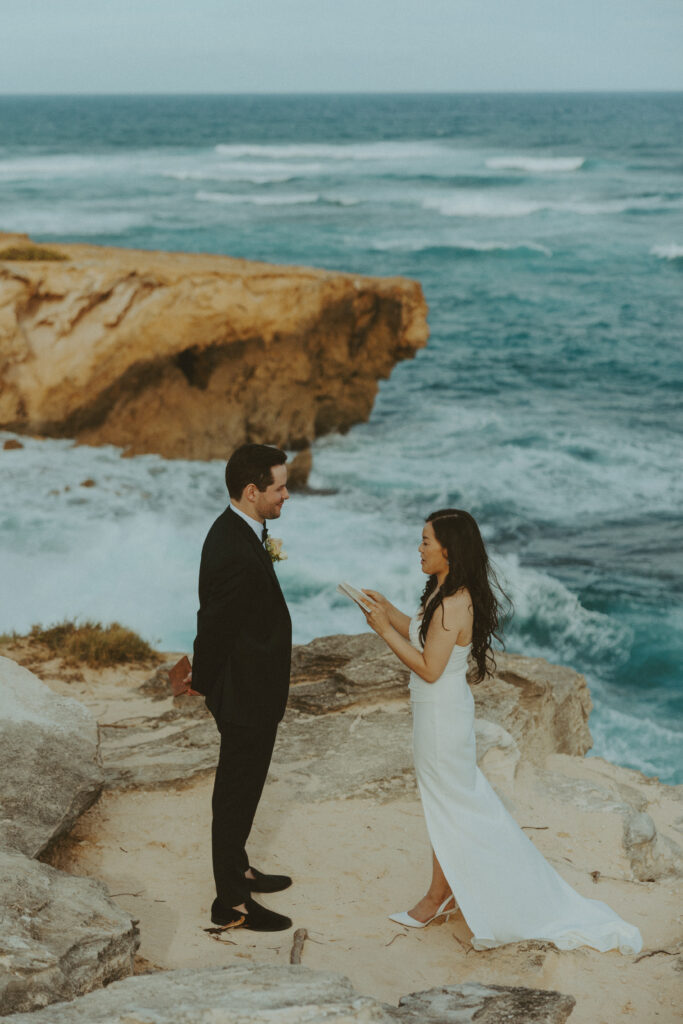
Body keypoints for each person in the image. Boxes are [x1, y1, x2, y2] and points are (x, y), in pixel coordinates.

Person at [362, 508, 642, 954]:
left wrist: (381, 632)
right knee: (448, 803)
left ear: (448, 551)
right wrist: (386, 612)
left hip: (440, 717)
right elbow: (421, 632)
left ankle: (440, 896)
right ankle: (444, 891)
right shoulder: (444, 592)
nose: (419, 548)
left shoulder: (454, 604)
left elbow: (428, 667)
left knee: (454, 804)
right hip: (439, 713)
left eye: (425, 542)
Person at [190, 443, 293, 932]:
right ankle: (229, 902)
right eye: (279, 487)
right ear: (252, 492)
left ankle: (240, 869)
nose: (286, 495)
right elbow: (213, 626)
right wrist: (206, 685)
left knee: (247, 789)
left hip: (255, 689)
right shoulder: (232, 547)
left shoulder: (245, 529)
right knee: (234, 794)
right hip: (243, 695)